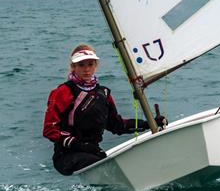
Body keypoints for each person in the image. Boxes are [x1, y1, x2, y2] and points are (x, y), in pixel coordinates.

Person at [43, 44, 165, 176]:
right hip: (66, 156)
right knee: (108, 168)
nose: (86, 69)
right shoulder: (62, 92)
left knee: (111, 166)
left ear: (96, 65)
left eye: (90, 64)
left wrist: (150, 123)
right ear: (73, 67)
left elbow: (117, 125)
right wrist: (82, 146)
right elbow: (50, 130)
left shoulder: (103, 93)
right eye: (81, 65)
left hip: (93, 153)